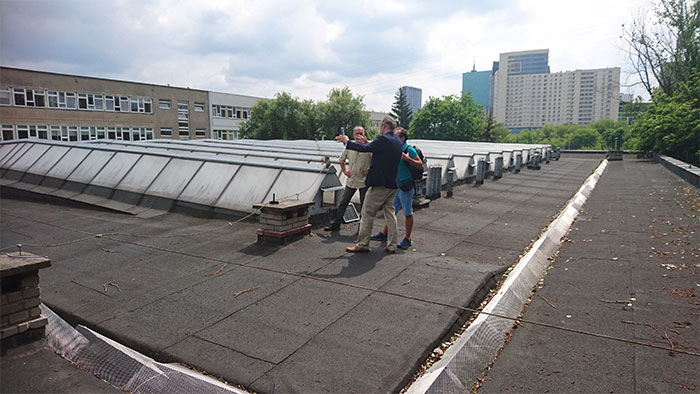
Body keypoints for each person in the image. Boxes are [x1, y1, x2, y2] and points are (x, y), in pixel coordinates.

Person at [335, 116, 403, 254]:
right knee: (390, 214)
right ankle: (392, 245)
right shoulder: (396, 140)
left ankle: (362, 244)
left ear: (383, 126)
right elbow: (372, 148)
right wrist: (365, 142)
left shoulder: (382, 139)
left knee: (367, 212)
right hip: (392, 184)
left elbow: (365, 149)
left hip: (379, 185)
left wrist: (347, 141)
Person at [370, 128, 422, 249]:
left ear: (402, 138)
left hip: (405, 185)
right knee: (391, 211)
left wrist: (407, 158)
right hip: (395, 185)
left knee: (407, 212)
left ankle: (407, 238)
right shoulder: (394, 148)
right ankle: (384, 233)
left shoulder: (408, 149)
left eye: (395, 136)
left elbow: (420, 165)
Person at [324, 126, 372, 231]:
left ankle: (362, 229)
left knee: (364, 206)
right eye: (357, 134)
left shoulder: (369, 147)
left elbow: (377, 162)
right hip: (352, 180)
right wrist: (345, 171)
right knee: (343, 202)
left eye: (361, 133)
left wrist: (369, 171)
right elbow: (341, 160)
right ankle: (336, 224)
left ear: (364, 134)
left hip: (364, 181)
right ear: (353, 135)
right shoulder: (350, 147)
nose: (359, 136)